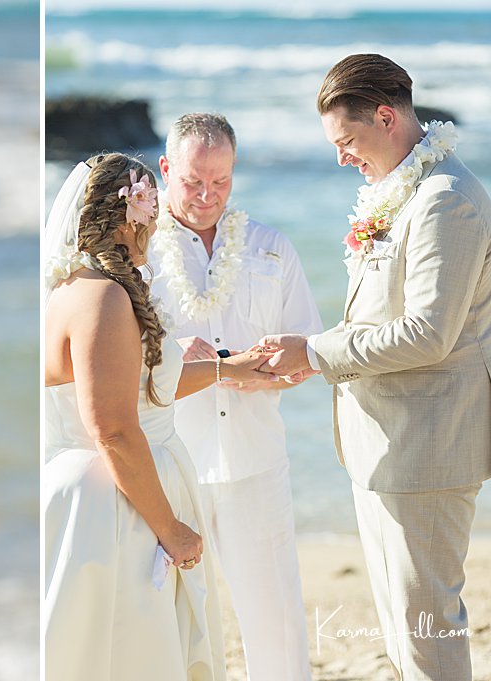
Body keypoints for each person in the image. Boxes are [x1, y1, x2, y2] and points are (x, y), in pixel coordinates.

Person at [260, 54, 491, 681]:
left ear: (386, 117)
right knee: (402, 626)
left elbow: (428, 334)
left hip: (428, 446)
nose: (341, 158)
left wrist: (313, 352)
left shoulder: (448, 202)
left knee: (425, 631)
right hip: (392, 444)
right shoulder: (407, 188)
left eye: (347, 141)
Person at [41, 153, 275, 680]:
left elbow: (138, 388)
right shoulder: (101, 298)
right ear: (131, 214)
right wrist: (169, 528)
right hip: (115, 504)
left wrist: (224, 369)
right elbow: (115, 429)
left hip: (118, 489)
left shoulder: (80, 286)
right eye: (153, 207)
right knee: (131, 652)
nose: (161, 219)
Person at [147, 113, 321, 680]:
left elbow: (308, 348)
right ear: (165, 169)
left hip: (255, 457)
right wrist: (220, 367)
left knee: (275, 616)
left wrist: (277, 368)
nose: (205, 196)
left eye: (219, 182)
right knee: (169, 619)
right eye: (193, 182)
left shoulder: (272, 248)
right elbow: (126, 363)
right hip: (172, 463)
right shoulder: (138, 253)